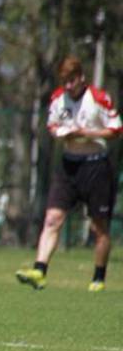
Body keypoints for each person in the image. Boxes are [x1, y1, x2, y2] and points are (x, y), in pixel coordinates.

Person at [16, 55, 121, 292]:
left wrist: (87, 133)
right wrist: (63, 133)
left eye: (72, 80)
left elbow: (116, 129)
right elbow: (52, 126)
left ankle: (98, 277)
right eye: (65, 81)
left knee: (99, 227)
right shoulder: (57, 99)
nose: (68, 86)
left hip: (96, 166)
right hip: (68, 166)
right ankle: (39, 270)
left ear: (81, 78)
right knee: (52, 219)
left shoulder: (98, 99)